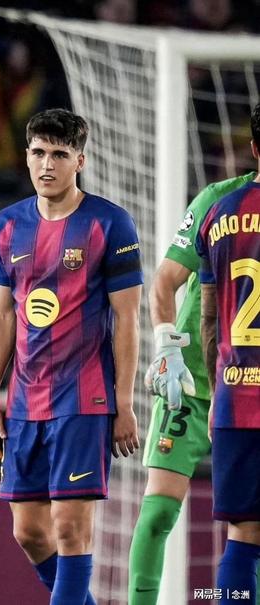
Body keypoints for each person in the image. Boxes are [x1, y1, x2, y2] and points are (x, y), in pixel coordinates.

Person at [0, 108, 142, 604]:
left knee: (71, 529)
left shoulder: (109, 223)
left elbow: (127, 319)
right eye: (38, 153)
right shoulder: (7, 225)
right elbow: (2, 315)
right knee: (29, 532)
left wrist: (123, 402)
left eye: (59, 154)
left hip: (83, 398)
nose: (47, 164)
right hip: (24, 402)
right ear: (27, 155)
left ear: (80, 162)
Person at [128, 167, 256, 602]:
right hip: (192, 382)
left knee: (251, 528)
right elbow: (165, 280)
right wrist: (167, 346)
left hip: (245, 389)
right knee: (159, 512)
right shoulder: (218, 199)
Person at [197, 102, 260, 605]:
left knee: (243, 534)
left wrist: (219, 385)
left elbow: (208, 319)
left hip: (236, 398)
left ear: (254, 148)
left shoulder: (219, 213)